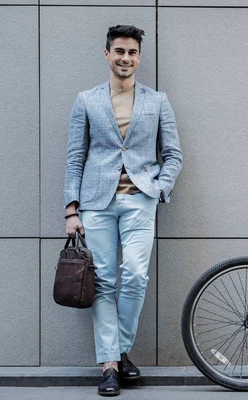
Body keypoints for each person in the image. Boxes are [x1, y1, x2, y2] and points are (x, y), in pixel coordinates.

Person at [64, 25, 182, 396]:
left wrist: (158, 189)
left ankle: (118, 349)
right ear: (107, 54)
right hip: (96, 203)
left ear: (139, 57)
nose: (125, 58)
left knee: (134, 275)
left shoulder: (157, 101)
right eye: (118, 51)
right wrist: (71, 210)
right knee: (103, 283)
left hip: (140, 200)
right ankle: (111, 365)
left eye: (131, 52)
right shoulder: (86, 100)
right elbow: (75, 157)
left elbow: (174, 155)